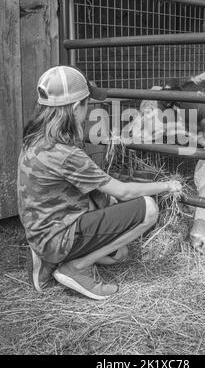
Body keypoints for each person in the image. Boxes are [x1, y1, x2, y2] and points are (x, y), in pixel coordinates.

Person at [17, 66, 182, 300]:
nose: (88, 111)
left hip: (40, 229)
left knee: (119, 253)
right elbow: (123, 191)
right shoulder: (65, 153)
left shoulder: (34, 138)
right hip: (59, 235)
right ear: (75, 108)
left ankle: (49, 258)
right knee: (149, 209)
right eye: (87, 104)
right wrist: (167, 186)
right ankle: (76, 268)